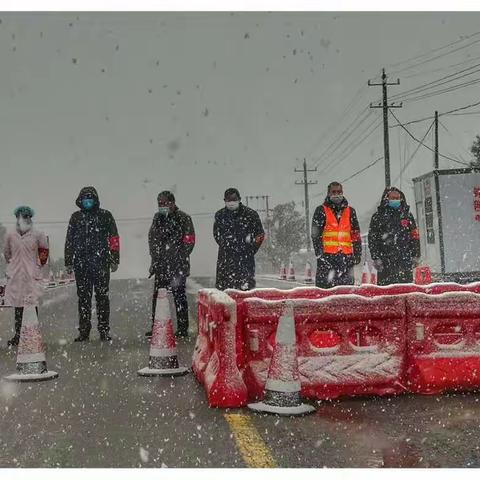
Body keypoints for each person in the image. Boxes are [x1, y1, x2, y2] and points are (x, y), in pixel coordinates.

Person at [64, 187, 120, 342]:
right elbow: (69, 241)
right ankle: (84, 331)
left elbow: (114, 239)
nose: (87, 201)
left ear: (95, 200)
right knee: (83, 298)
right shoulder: (75, 218)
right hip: (81, 264)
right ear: (80, 200)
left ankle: (103, 330)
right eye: (85, 198)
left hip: (101, 263)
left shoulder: (105, 216)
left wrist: (115, 258)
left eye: (90, 198)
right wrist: (68, 261)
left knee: (102, 298)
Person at [147, 191, 195, 338]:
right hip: (161, 264)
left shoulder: (183, 218)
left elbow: (189, 240)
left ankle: (182, 328)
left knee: (179, 296)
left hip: (178, 265)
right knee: (159, 296)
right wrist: (155, 258)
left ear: (172, 203)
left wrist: (178, 257)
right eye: (159, 203)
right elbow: (152, 239)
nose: (162, 206)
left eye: (164, 203)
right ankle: (157, 326)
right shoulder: (157, 218)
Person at [3, 206, 49, 346]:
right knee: (18, 307)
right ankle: (18, 336)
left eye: (28, 216)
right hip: (16, 275)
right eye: (22, 216)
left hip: (31, 275)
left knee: (31, 306)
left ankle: (32, 337)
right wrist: (13, 265)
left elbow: (44, 251)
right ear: (17, 218)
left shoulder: (38, 234)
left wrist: (38, 264)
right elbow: (7, 253)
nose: (25, 219)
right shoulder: (11, 235)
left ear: (31, 218)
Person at [311, 181, 362, 288]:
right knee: (325, 291)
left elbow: (355, 234)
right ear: (328, 194)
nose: (337, 194)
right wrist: (320, 254)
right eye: (333, 192)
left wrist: (357, 253)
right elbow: (316, 235)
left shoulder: (350, 211)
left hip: (346, 258)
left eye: (339, 192)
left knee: (346, 292)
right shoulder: (321, 210)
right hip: (327, 258)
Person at [214, 187, 265, 290]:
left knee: (245, 291)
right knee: (224, 291)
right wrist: (224, 244)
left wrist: (252, 249)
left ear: (239, 199)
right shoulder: (220, 215)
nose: (231, 202)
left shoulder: (250, 214)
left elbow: (260, 235)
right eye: (228, 200)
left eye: (234, 199)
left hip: (245, 259)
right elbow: (216, 233)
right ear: (224, 200)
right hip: (225, 259)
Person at [368, 187, 421, 286]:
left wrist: (416, 255)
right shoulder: (378, 217)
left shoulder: (408, 216)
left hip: (404, 260)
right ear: (386, 198)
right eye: (393, 198)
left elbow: (414, 237)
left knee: (406, 291)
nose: (395, 200)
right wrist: (376, 257)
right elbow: (372, 239)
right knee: (385, 293)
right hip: (385, 262)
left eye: (397, 198)